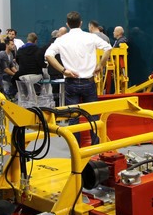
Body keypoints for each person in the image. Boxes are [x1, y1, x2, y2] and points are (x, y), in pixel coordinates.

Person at [45, 11, 112, 145]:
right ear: (81, 23)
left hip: (71, 82)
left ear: (67, 24)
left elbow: (48, 55)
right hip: (89, 82)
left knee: (73, 117)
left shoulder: (61, 40)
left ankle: (76, 147)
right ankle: (96, 147)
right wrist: (100, 65)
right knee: (93, 116)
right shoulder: (90, 37)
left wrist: (64, 71)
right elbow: (108, 48)